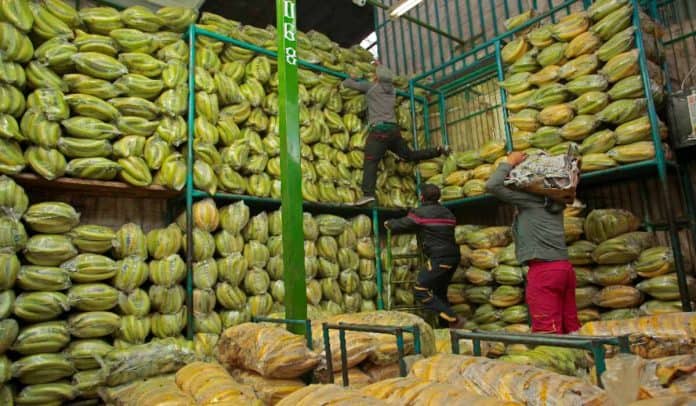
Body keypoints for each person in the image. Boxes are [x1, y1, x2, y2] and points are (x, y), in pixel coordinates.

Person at [485, 151, 580, 334]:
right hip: (564, 268)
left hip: (544, 270)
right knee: (570, 325)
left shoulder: (531, 200)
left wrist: (509, 162)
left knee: (547, 330)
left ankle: (554, 360)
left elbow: (492, 185)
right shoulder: (555, 202)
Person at [341, 63, 449, 206]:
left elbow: (347, 84)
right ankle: (438, 150)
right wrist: (381, 68)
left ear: (376, 78)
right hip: (393, 131)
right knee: (408, 155)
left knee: (371, 162)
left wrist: (351, 77)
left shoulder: (371, 87)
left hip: (379, 131)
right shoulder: (392, 90)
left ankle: (368, 194)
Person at [385, 184, 463, 327]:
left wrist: (389, 223)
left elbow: (402, 224)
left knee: (420, 290)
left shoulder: (421, 213)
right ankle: (445, 328)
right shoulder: (448, 213)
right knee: (439, 291)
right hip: (454, 256)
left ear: (421, 197)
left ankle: (453, 318)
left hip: (439, 258)